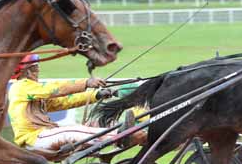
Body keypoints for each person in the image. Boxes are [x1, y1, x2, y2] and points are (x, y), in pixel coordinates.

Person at [8, 54, 145, 152]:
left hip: (43, 135)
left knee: (84, 128)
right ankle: (123, 136)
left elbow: (63, 102)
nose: (37, 71)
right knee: (73, 130)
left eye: (37, 68)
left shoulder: (32, 90)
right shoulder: (21, 86)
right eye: (34, 68)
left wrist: (96, 95)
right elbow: (55, 89)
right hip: (34, 138)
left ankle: (121, 135)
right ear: (24, 72)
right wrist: (86, 83)